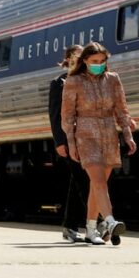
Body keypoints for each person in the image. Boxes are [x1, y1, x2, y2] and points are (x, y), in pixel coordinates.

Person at [60, 42, 136, 245]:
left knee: (97, 185)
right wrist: (71, 144)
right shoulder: (73, 81)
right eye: (94, 61)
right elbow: (67, 117)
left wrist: (128, 135)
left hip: (109, 134)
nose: (99, 65)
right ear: (85, 61)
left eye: (102, 61)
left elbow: (122, 109)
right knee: (99, 180)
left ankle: (91, 229)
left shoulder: (113, 80)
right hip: (85, 135)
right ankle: (110, 222)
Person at [48, 45, 88, 243]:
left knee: (78, 182)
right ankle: (100, 221)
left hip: (89, 138)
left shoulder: (89, 81)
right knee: (84, 180)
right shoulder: (59, 83)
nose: (78, 61)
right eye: (74, 57)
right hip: (70, 140)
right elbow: (55, 116)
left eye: (81, 57)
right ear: (67, 60)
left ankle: (70, 227)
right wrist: (60, 142)